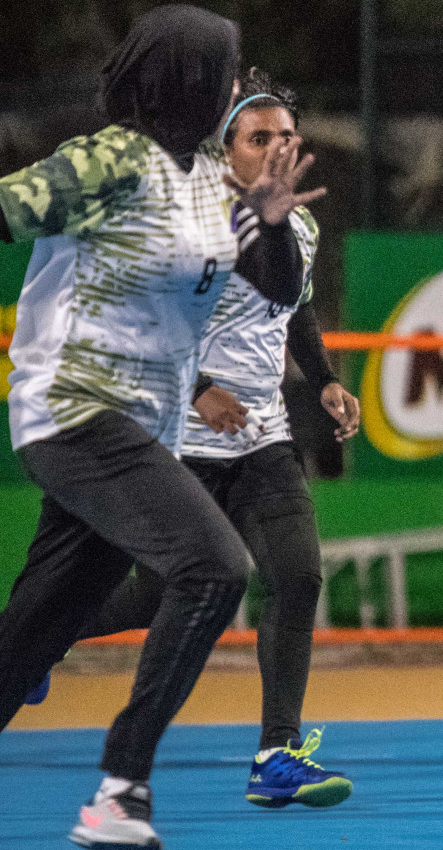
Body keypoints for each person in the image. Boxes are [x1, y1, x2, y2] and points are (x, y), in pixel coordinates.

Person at [0, 5, 322, 850]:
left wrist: (273, 218)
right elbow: (9, 210)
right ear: (187, 76)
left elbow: (280, 289)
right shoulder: (112, 157)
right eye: (225, 65)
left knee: (29, 637)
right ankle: (121, 791)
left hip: (139, 430)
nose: (232, 82)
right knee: (217, 567)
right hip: (73, 413)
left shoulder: (204, 184)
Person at [70, 69, 359, 810]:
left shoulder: (298, 222)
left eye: (286, 136)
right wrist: (199, 387)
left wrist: (323, 378)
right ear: (225, 147)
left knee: (296, 577)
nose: (276, 147)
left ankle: (275, 754)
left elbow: (296, 307)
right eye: (259, 136)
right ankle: (37, 638)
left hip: (263, 435)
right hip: (182, 436)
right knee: (152, 597)